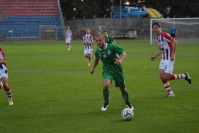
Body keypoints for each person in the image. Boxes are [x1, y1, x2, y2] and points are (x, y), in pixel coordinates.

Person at [90, 34, 134, 111]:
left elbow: (123, 53)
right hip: (107, 70)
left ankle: (128, 103)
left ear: (104, 40)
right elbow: (97, 60)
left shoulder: (112, 47)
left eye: (100, 40)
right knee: (105, 85)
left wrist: (120, 60)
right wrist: (93, 68)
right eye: (97, 41)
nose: (98, 42)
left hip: (117, 70)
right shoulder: (97, 51)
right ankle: (106, 103)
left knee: (122, 88)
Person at [150, 22, 191, 98]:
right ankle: (171, 93)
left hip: (169, 58)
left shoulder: (164, 35)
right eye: (153, 28)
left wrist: (172, 54)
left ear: (159, 27)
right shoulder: (157, 38)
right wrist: (154, 56)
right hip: (163, 58)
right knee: (162, 76)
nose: (155, 29)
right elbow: (161, 50)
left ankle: (184, 75)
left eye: (156, 27)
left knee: (167, 77)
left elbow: (175, 42)